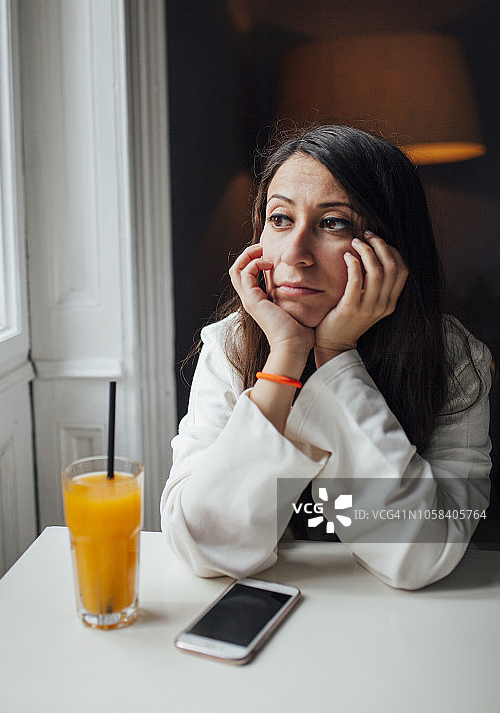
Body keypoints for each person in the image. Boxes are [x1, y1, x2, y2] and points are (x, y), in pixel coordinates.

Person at [160, 125, 493, 590]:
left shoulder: (454, 357)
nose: (295, 254)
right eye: (280, 220)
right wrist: (285, 359)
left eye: (332, 222)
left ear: (390, 246)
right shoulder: (231, 346)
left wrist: (337, 359)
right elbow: (204, 547)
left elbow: (419, 558)